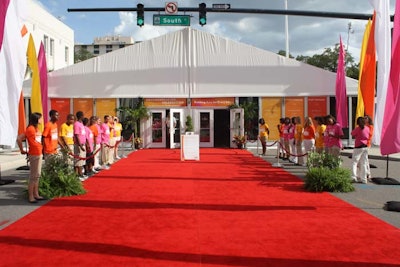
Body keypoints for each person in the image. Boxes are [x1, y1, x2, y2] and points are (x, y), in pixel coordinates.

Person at [17, 112, 45, 203]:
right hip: (34, 154)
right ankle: (31, 196)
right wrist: (22, 150)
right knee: (34, 176)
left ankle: (36, 194)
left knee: (37, 175)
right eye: (40, 118)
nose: (41, 119)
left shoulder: (36, 128)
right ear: (36, 119)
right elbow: (19, 139)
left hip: (38, 153)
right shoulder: (30, 129)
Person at [351, 117, 370, 184]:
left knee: (354, 162)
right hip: (365, 147)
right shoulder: (367, 128)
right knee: (364, 163)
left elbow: (352, 134)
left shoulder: (357, 129)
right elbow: (368, 136)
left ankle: (353, 177)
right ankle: (364, 179)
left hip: (358, 147)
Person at [73, 111, 87, 180]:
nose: (84, 117)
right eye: (83, 115)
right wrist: (80, 146)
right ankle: (79, 174)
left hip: (83, 143)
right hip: (79, 145)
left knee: (82, 160)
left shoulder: (81, 124)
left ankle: (80, 174)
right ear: (80, 116)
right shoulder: (76, 124)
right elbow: (77, 135)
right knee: (78, 159)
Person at [364, 115, 374, 180]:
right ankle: (367, 173)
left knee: (366, 159)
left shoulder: (370, 126)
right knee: (365, 159)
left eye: (366, 118)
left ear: (368, 119)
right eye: (364, 118)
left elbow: (370, 134)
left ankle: (368, 173)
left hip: (367, 144)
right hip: (363, 144)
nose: (364, 119)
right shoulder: (364, 126)